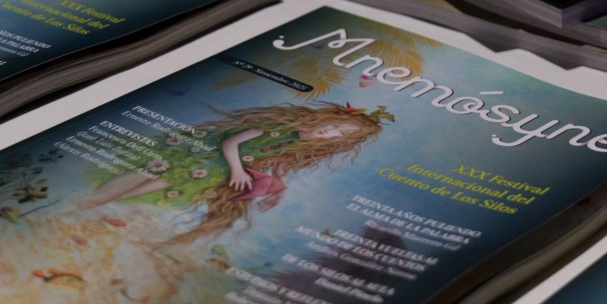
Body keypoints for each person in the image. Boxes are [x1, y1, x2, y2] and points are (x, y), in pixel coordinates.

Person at [80, 102, 392, 244]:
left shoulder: (302, 144)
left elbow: (280, 163)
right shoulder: (281, 125)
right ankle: (91, 202)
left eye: (339, 134)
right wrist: (238, 170)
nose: (331, 132)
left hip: (214, 170)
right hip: (206, 154)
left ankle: (96, 207)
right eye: (334, 124)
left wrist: (280, 187)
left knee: (159, 184)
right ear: (327, 117)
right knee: (153, 174)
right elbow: (231, 142)